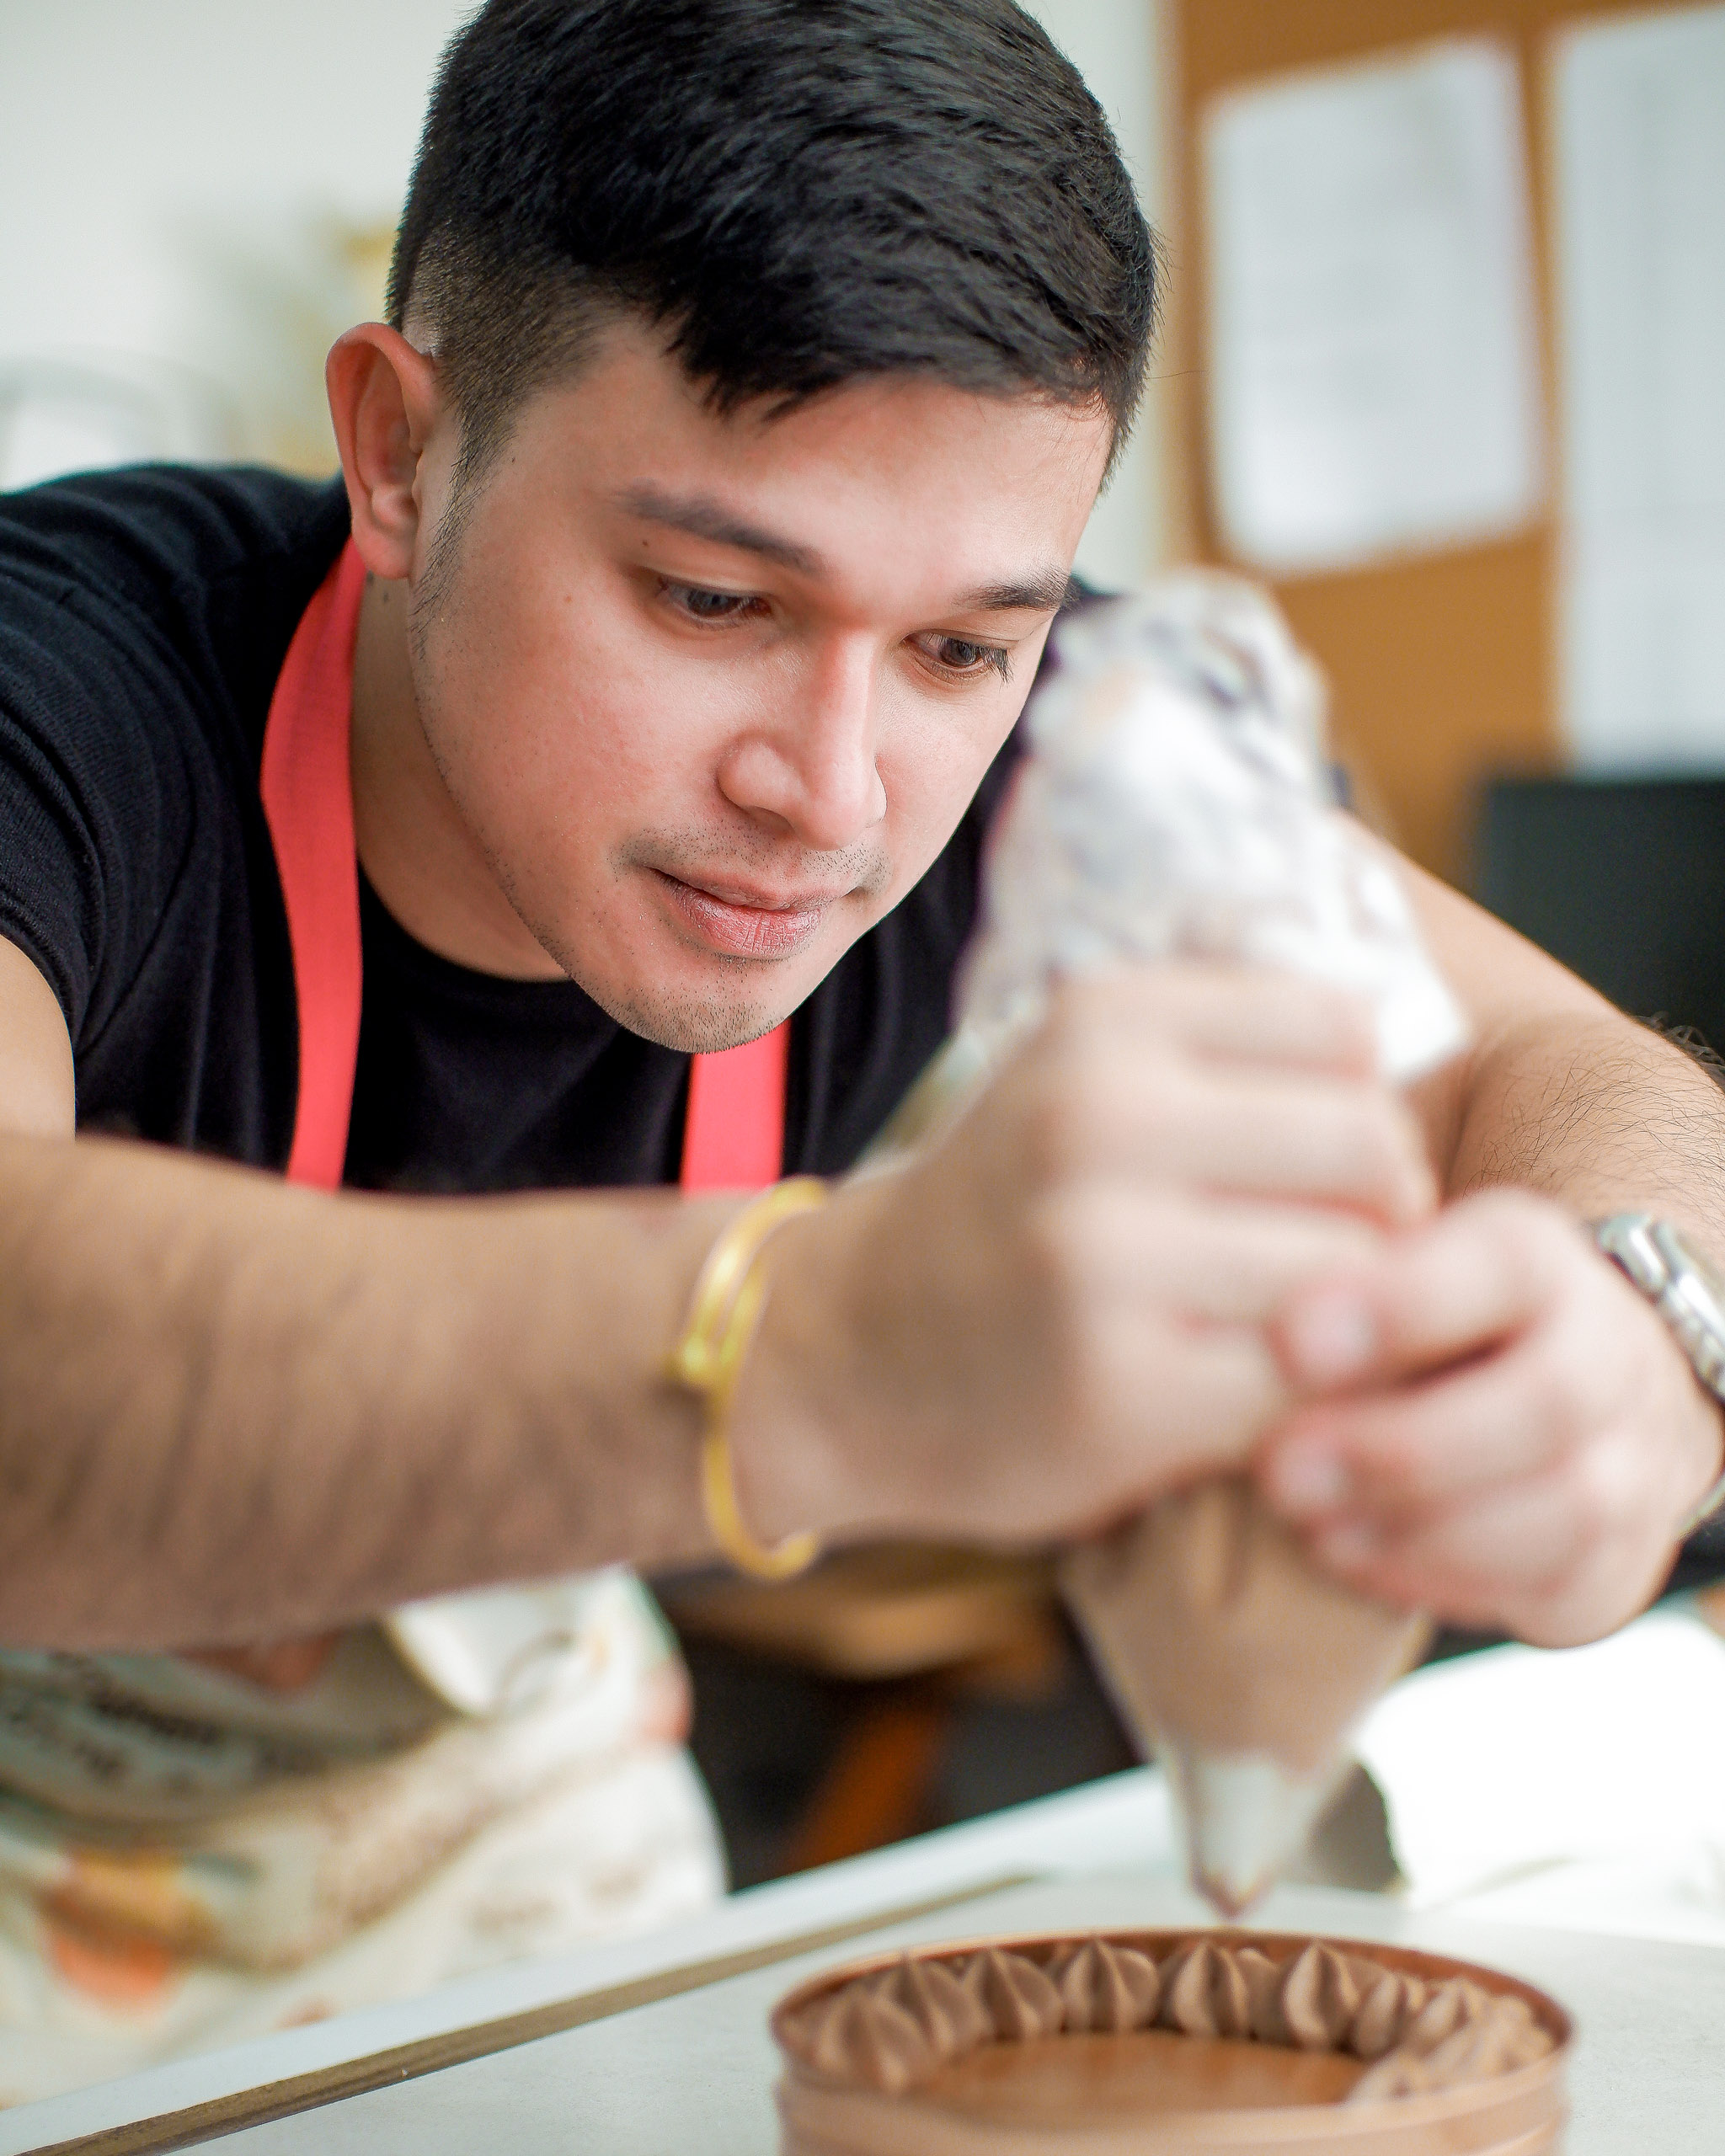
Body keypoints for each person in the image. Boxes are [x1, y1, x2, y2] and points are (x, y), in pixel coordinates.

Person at [0, 0, 1722, 2094]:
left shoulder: (1071, 763)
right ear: (400, 454)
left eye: (960, 645)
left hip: (485, 1813)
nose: (830, 795)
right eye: (711, 598)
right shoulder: (67, 694)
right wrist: (823, 1339)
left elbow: (1559, 1060)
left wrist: (1647, 1318)